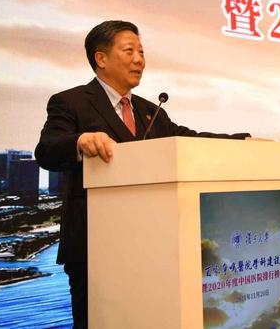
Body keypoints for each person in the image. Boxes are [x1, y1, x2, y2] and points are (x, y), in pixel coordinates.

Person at [35, 20, 249, 328]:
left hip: (151, 244)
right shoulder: (71, 102)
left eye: (142, 52)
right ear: (101, 58)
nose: (139, 60)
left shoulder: (151, 111)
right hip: (95, 247)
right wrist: (80, 141)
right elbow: (46, 150)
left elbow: (185, 138)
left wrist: (240, 140)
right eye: (129, 51)